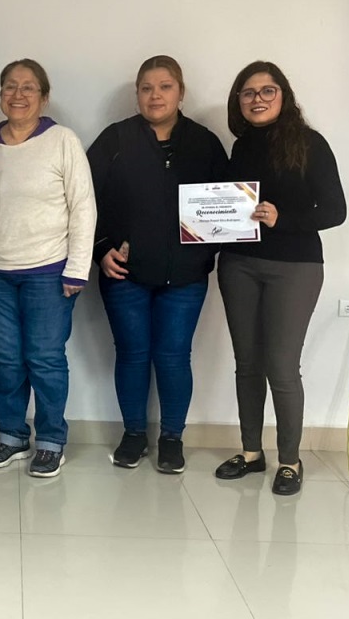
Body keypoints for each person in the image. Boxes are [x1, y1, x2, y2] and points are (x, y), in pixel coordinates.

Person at [87, 55, 228, 474]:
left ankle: (171, 438)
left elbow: (227, 204)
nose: (155, 95)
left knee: (173, 357)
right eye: (146, 88)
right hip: (124, 274)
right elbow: (82, 198)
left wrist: (204, 253)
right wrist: (100, 249)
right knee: (132, 355)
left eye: (165, 86)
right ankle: (133, 435)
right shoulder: (114, 139)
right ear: (137, 94)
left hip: (185, 278)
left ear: (181, 92)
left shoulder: (204, 142)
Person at [214, 61, 346, 495]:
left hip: (295, 267)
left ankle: (289, 461)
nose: (257, 99)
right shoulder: (240, 147)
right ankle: (251, 454)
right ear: (238, 100)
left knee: (282, 366)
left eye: (267, 91)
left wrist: (282, 218)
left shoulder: (309, 143)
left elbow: (335, 210)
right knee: (247, 364)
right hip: (238, 264)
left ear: (283, 95)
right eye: (248, 92)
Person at [0, 59, 96, 478]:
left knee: (44, 359)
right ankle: (11, 436)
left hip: (48, 270)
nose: (18, 94)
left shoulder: (63, 141)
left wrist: (78, 268)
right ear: (0, 94)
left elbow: (83, 206)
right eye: (10, 86)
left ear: (44, 97)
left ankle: (50, 441)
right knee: (7, 361)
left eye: (28, 87)